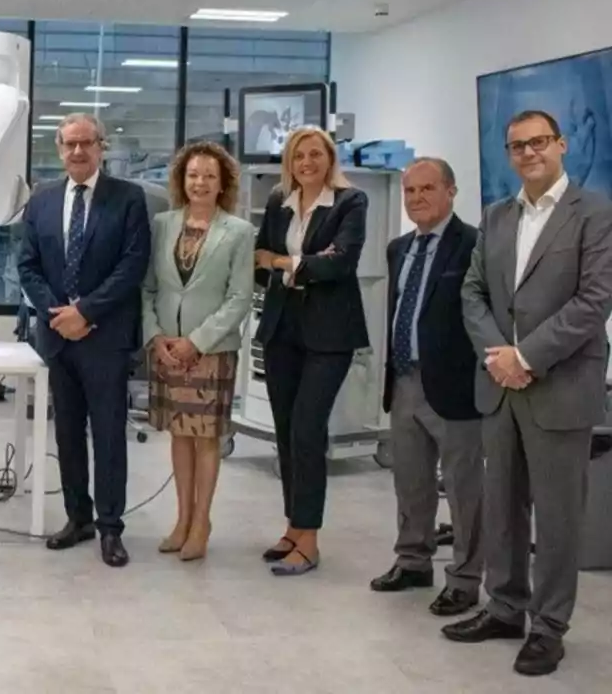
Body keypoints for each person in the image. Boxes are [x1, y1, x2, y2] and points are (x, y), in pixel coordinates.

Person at [445, 110, 612, 677]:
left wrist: (528, 357)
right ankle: (506, 606)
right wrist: (500, 356)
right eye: (517, 146)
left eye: (539, 142)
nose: (528, 153)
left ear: (561, 145)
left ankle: (549, 626)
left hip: (558, 386)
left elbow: (594, 302)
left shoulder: (595, 214)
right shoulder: (496, 216)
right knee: (503, 507)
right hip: (500, 385)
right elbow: (472, 293)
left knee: (559, 515)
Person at [17, 113, 150, 568]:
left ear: (101, 147)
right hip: (58, 337)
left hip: (105, 337)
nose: (78, 151)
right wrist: (59, 315)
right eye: (69, 144)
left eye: (86, 143)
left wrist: (86, 312)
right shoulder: (42, 200)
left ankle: (111, 528)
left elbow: (132, 266)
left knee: (109, 435)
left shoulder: (128, 199)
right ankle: (79, 518)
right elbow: (27, 265)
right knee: (69, 433)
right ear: (59, 149)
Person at [369, 158, 483, 617]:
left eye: (427, 189)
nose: (417, 198)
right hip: (404, 381)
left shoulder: (474, 244)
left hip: (455, 389)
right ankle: (413, 560)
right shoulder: (399, 249)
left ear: (451, 191)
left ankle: (466, 579)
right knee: (410, 482)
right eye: (410, 191)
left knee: (464, 490)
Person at [253, 126, 369, 576]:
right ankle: (293, 528)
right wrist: (301, 267)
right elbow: (259, 256)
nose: (307, 162)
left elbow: (340, 263)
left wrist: (285, 264)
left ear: (329, 158)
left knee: (307, 429)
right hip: (283, 329)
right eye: (299, 155)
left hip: (329, 334)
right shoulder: (279, 203)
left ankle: (311, 539)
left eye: (315, 154)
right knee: (285, 431)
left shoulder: (350, 202)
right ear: (289, 161)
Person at [141, 141, 253, 562]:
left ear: (222, 182)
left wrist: (197, 341)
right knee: (179, 436)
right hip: (167, 348)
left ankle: (201, 522)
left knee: (205, 438)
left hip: (211, 350)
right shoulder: (163, 224)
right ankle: (181, 519)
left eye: (209, 175)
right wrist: (157, 337)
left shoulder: (239, 232)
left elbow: (239, 297)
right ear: (181, 180)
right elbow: (149, 287)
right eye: (193, 175)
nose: (200, 182)